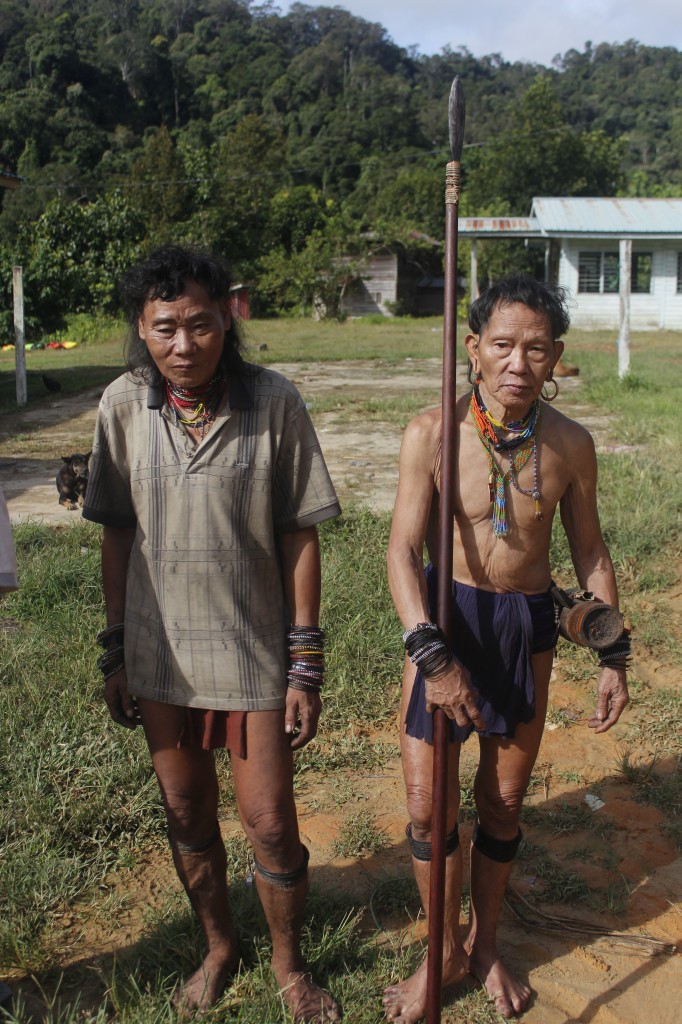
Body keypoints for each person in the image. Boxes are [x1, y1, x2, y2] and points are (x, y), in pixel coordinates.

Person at [83, 245, 342, 1023]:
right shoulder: (123, 406)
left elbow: (301, 535)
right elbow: (117, 537)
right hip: (162, 658)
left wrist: (305, 665)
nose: (184, 345)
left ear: (227, 317)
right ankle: (221, 946)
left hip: (255, 654)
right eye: (165, 328)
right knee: (186, 812)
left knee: (268, 819)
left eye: (201, 324)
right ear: (141, 328)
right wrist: (116, 649)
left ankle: (290, 968)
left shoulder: (274, 402)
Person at [384, 275, 629, 1022]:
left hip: (523, 625)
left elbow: (589, 553)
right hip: (444, 621)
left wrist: (614, 653)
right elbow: (399, 551)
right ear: (473, 351)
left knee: (502, 799)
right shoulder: (432, 433)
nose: (518, 362)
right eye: (502, 345)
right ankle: (439, 953)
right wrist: (431, 654)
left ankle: (484, 944)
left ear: (555, 358)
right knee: (430, 808)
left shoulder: (570, 445)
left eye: (535, 348)